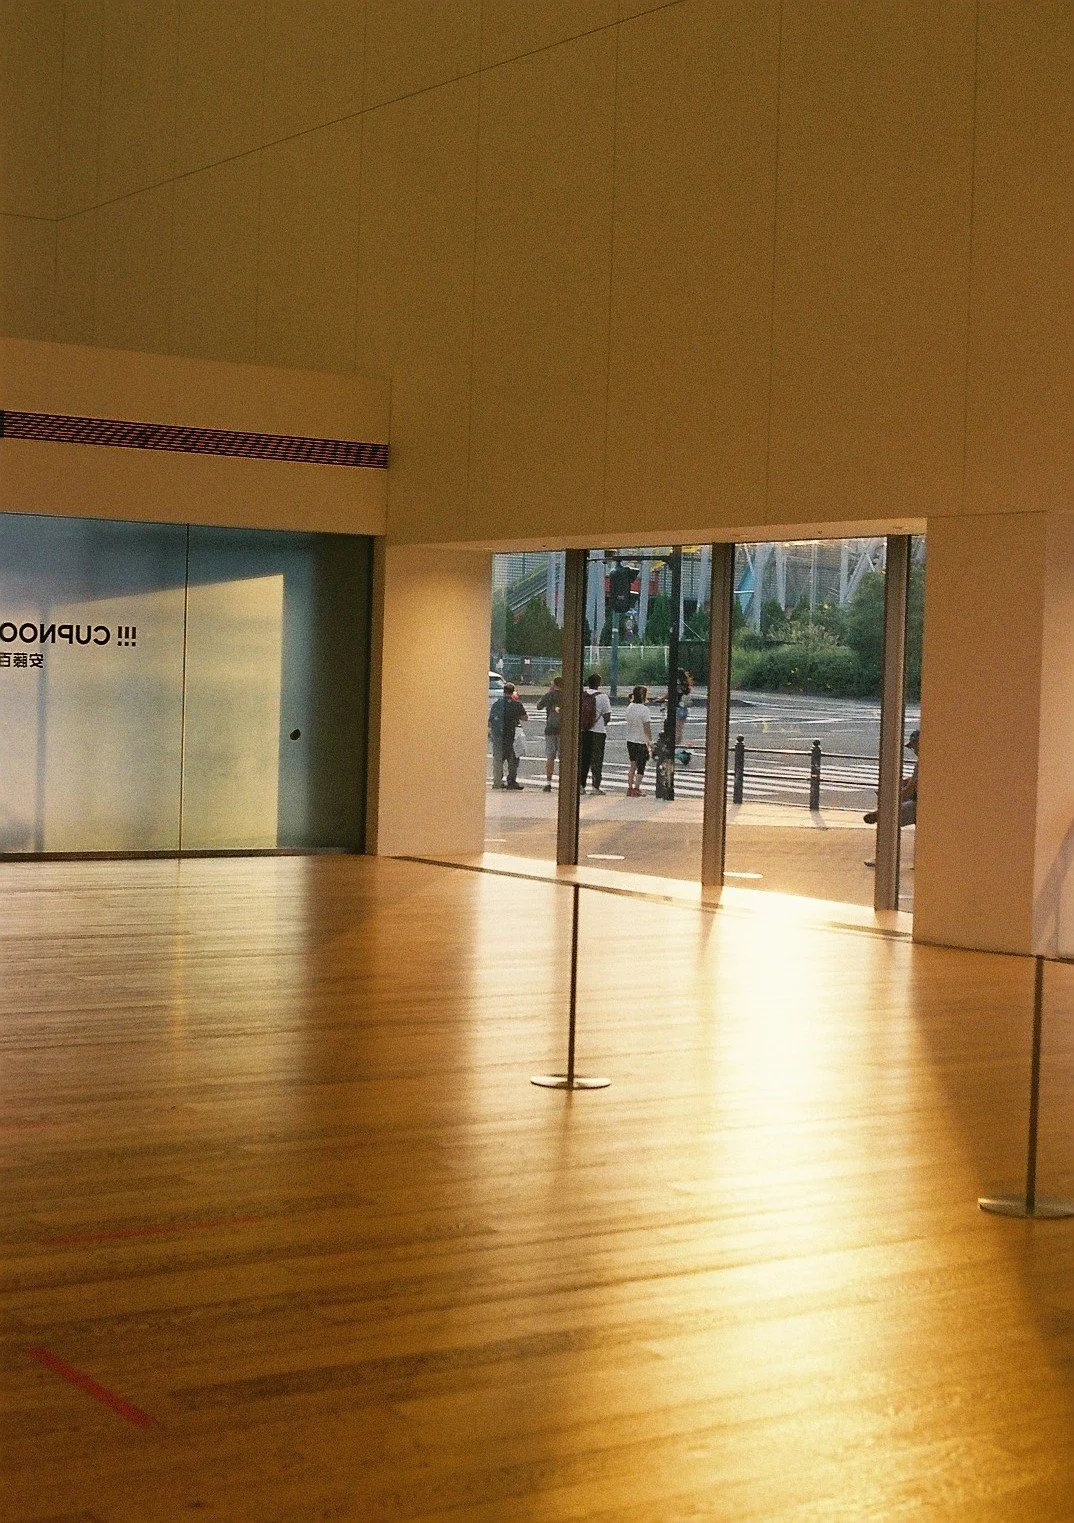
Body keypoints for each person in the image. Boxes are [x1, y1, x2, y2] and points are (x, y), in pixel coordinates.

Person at [488, 681, 528, 789]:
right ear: (513, 692)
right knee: (513, 760)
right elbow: (525, 717)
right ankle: (511, 781)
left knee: (498, 760)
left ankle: (497, 782)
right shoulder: (517, 704)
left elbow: (490, 721)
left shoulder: (497, 704)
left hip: (498, 737)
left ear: (503, 691)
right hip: (512, 736)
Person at [579, 671, 612, 794]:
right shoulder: (603, 697)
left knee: (584, 759)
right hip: (598, 732)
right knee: (597, 759)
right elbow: (607, 716)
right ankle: (595, 787)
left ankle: (581, 786)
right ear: (599, 683)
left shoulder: (582, 695)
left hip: (584, 731)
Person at [624, 685, 653, 796]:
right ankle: (636, 789)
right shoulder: (644, 710)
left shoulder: (629, 707)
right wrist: (650, 742)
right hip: (641, 741)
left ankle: (630, 788)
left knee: (632, 765)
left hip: (630, 740)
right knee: (641, 767)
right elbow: (647, 728)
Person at [535, 675, 563, 792]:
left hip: (550, 729)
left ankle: (548, 783)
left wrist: (549, 692)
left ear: (554, 684)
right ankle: (563, 782)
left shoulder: (549, 695)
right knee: (564, 758)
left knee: (550, 757)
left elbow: (538, 706)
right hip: (563, 730)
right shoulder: (567, 696)